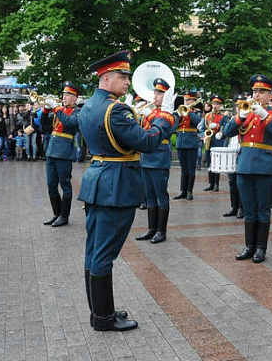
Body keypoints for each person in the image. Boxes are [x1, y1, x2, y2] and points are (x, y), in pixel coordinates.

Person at [78, 50, 176, 332]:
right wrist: (164, 117)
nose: (127, 81)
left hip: (98, 180)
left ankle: (99, 311)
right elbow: (146, 142)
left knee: (94, 250)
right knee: (104, 254)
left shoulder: (89, 106)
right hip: (116, 186)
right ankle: (104, 318)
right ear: (106, 78)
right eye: (122, 76)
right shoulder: (117, 109)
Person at [223, 74, 272, 263]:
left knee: (263, 211)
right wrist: (239, 118)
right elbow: (226, 132)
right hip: (244, 167)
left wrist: (264, 115)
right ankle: (249, 246)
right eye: (254, 91)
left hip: (265, 168)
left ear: (269, 95)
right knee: (249, 210)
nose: (256, 95)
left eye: (261, 92)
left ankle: (261, 248)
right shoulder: (246, 113)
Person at [135, 78, 179, 244]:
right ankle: (151, 229)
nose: (156, 95)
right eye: (155, 92)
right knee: (150, 196)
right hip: (146, 157)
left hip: (159, 157)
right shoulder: (150, 111)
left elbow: (164, 128)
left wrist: (150, 114)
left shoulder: (172, 114)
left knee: (161, 195)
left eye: (160, 92)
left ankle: (162, 231)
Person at [41, 82, 81, 227]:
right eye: (63, 94)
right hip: (51, 151)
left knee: (65, 185)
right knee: (51, 185)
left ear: (75, 98)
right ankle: (56, 214)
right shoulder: (60, 110)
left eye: (68, 95)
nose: (64, 97)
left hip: (64, 153)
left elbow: (68, 123)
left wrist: (56, 108)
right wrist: (45, 110)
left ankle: (64, 216)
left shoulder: (77, 113)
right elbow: (43, 126)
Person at [173, 91, 202, 201]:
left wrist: (188, 111)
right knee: (183, 168)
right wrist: (178, 115)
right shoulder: (179, 111)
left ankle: (189, 191)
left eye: (189, 100)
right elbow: (175, 125)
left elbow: (197, 121)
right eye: (185, 100)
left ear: (194, 101)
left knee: (191, 168)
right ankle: (182, 191)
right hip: (181, 140)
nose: (186, 102)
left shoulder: (196, 112)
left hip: (191, 141)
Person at [222, 94, 246, 218]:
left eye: (241, 105)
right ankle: (234, 206)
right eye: (237, 105)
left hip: (242, 152)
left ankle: (242, 207)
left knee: (241, 182)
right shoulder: (233, 119)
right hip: (232, 151)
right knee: (232, 182)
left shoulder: (248, 118)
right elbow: (227, 132)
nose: (239, 108)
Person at [203, 94, 229, 192]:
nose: (215, 106)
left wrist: (217, 126)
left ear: (220, 105)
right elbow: (203, 128)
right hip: (209, 139)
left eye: (217, 104)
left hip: (218, 141)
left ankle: (216, 184)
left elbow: (226, 128)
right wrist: (204, 136)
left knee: (216, 163)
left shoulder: (223, 117)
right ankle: (210, 183)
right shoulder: (207, 115)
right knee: (209, 162)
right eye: (214, 103)